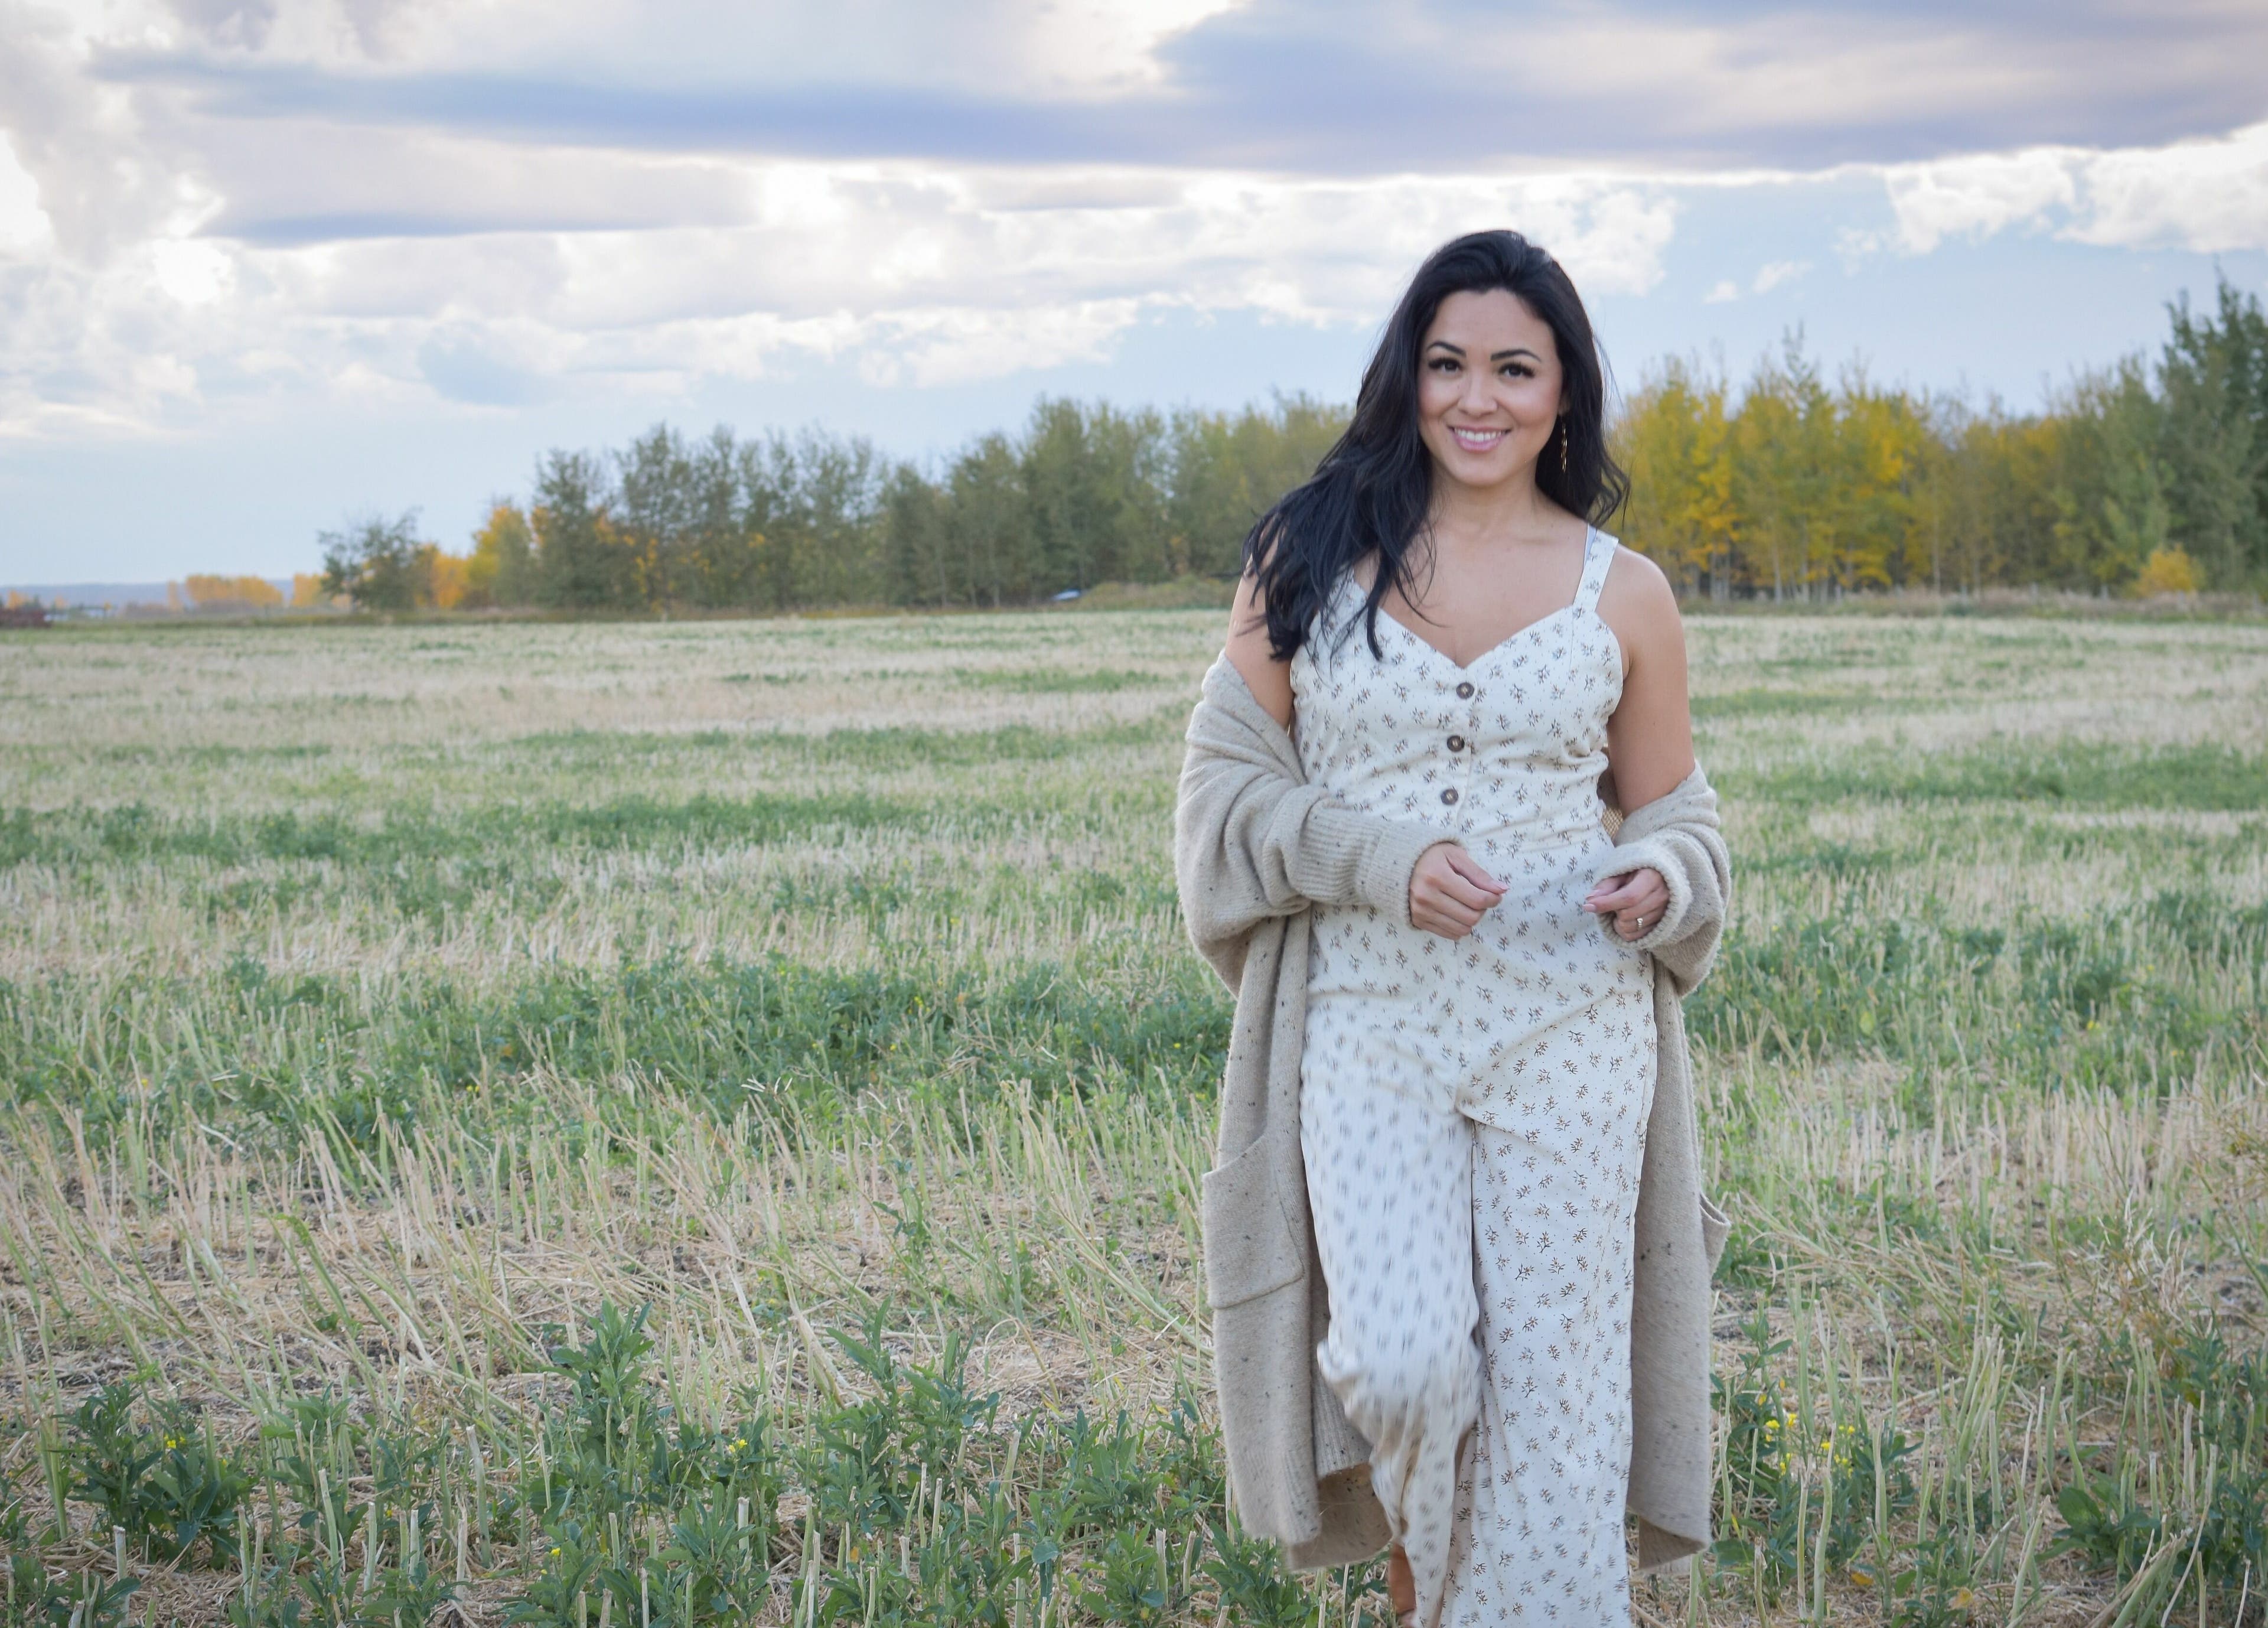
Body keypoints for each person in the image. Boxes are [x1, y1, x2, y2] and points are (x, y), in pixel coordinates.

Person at [1213, 229, 1710, 1626]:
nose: (1476, 399)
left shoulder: (1625, 590)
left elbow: (1680, 814)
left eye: (1513, 369)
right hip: (1371, 1027)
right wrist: (1379, 860)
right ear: (1408, 377)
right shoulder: (1308, 556)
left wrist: (1662, 881)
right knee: (1406, 1363)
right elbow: (1224, 797)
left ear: (1564, 393)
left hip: (1574, 1030)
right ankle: (1422, 1572)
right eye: (1447, 365)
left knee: (1557, 1414)